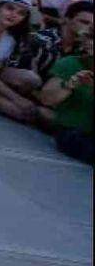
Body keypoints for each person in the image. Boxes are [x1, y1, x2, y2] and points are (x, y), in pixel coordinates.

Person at [4, 0, 94, 99]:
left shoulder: (83, 50)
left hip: (50, 93)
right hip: (18, 87)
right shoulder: (41, 40)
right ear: (66, 19)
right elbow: (25, 77)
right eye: (84, 22)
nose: (88, 28)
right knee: (31, 79)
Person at [35, 28, 93, 164]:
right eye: (91, 38)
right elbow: (46, 99)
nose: (91, 43)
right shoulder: (72, 64)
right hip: (73, 132)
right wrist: (69, 85)